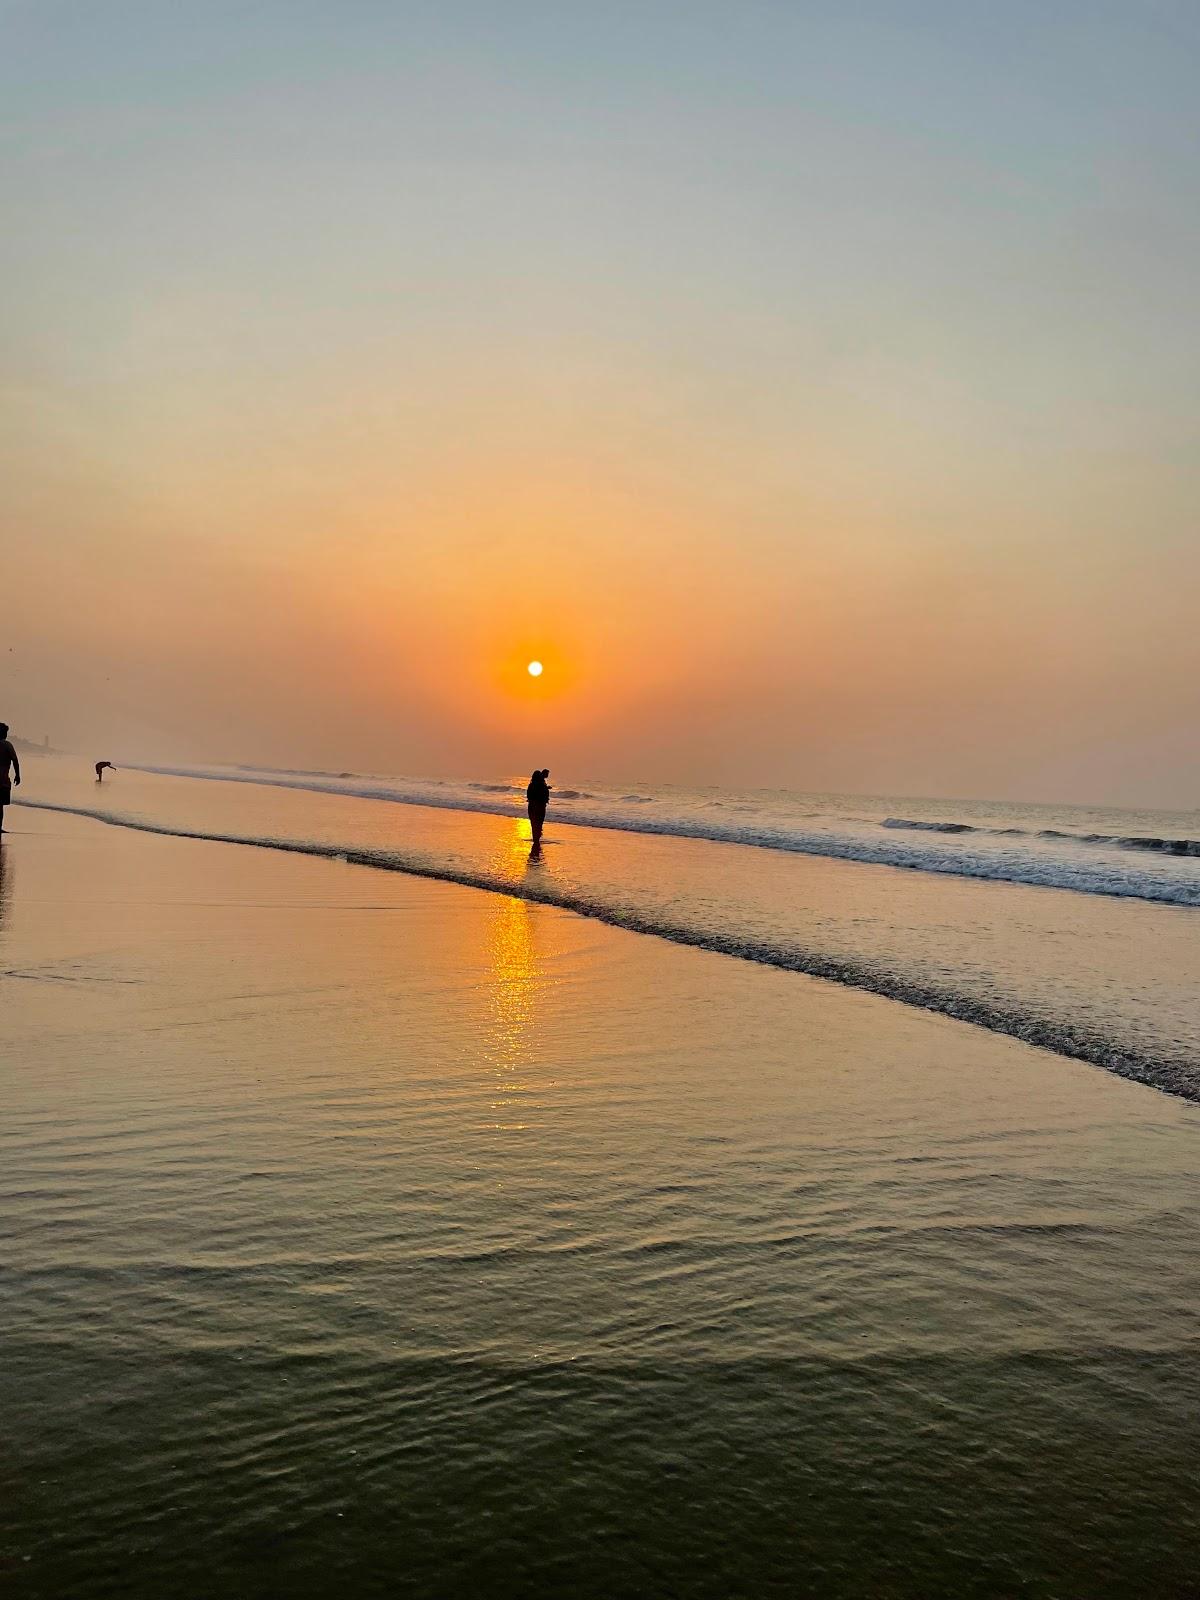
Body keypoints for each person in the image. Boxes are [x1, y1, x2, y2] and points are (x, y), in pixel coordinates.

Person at [0, 724, 20, 834]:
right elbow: (15, 760)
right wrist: (17, 775)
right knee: (0, 805)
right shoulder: (7, 745)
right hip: (2, 780)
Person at [526, 767, 550, 846]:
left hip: (532, 806)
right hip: (540, 807)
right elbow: (545, 796)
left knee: (533, 824)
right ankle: (537, 840)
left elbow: (528, 796)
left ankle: (535, 839)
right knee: (539, 823)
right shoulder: (542, 785)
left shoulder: (531, 785)